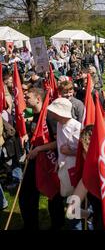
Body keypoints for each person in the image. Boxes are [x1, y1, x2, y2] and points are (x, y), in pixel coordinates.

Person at [19, 88, 65, 230]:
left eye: (28, 97)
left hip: (50, 162)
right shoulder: (36, 114)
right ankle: (30, 225)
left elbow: (59, 141)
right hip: (36, 162)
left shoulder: (50, 116)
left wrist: (39, 149)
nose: (25, 99)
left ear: (38, 99)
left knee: (54, 197)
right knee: (26, 196)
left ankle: (57, 225)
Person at [47, 97, 82, 230]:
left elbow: (84, 149)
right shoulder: (60, 125)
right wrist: (60, 159)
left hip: (75, 170)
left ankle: (78, 226)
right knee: (69, 199)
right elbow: (60, 144)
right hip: (64, 168)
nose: (52, 113)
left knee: (75, 203)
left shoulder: (76, 126)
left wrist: (71, 152)